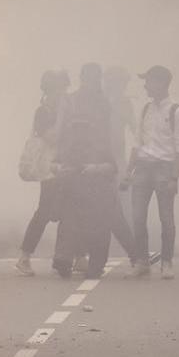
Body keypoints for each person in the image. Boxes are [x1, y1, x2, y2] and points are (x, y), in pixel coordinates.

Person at [126, 65, 179, 279]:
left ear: (161, 83)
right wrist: (129, 171)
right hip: (143, 166)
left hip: (164, 168)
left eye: (149, 81)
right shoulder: (145, 109)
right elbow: (137, 143)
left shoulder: (177, 112)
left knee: (166, 218)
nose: (145, 86)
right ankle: (142, 261)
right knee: (137, 216)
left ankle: (167, 262)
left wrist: (174, 177)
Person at [49, 117, 124, 278]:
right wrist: (60, 169)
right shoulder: (67, 148)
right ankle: (64, 260)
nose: (78, 134)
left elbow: (112, 167)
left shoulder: (100, 147)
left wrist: (94, 169)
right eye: (75, 130)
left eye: (82, 130)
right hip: (71, 195)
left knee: (98, 231)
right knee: (67, 228)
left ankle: (96, 265)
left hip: (96, 196)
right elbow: (53, 164)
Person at [16, 69, 72, 276]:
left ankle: (67, 255)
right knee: (45, 212)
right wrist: (63, 115)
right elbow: (53, 138)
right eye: (60, 90)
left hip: (62, 166)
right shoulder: (44, 112)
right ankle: (24, 256)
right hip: (49, 169)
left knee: (65, 210)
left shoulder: (60, 110)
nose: (64, 94)